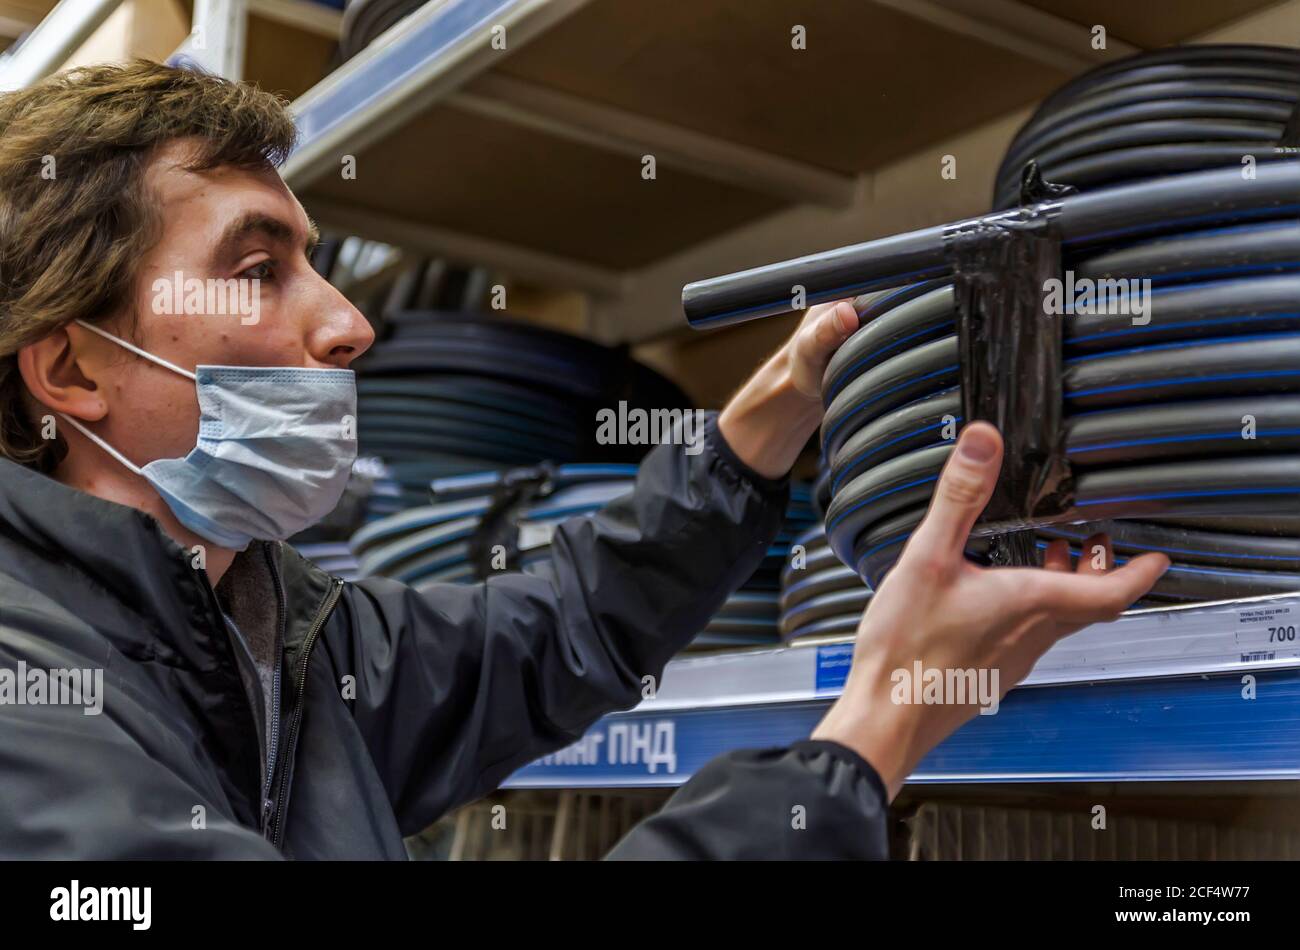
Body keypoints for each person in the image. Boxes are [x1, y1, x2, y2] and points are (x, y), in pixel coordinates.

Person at [0, 62, 1169, 860]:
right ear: (72, 372)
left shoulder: (272, 631)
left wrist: (750, 434)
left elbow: (552, 633)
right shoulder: (28, 710)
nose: (347, 321)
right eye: (257, 271)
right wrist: (876, 726)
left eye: (316, 260)